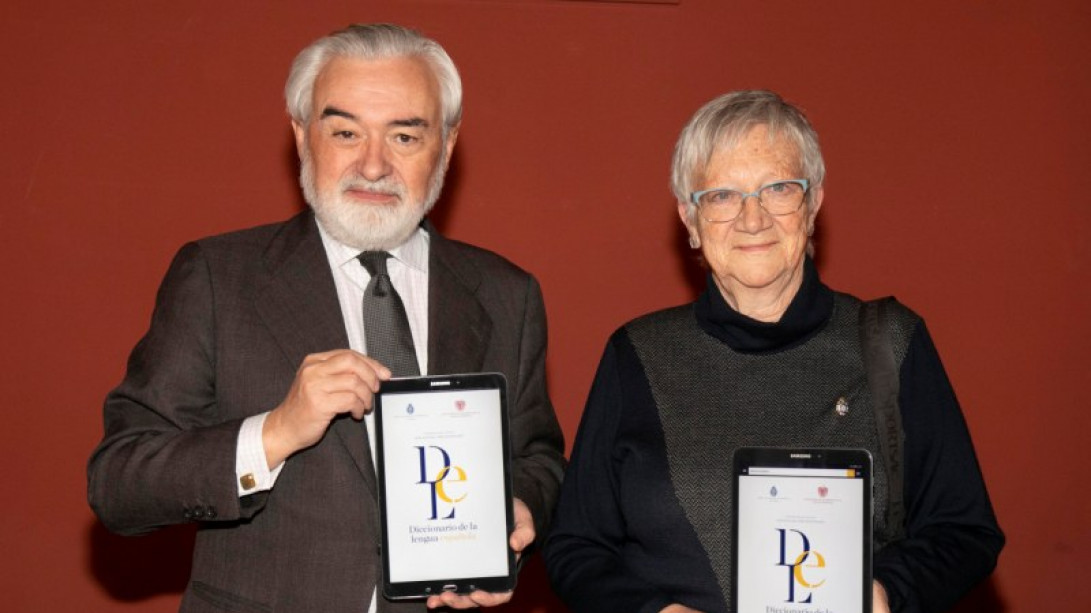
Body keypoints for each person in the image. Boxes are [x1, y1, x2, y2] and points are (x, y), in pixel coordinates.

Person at [88, 23, 565, 613]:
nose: (372, 166)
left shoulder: (506, 293)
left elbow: (537, 459)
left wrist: (514, 510)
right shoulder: (217, 277)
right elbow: (119, 484)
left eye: (404, 138)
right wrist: (276, 431)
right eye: (345, 132)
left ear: (446, 142)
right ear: (300, 136)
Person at [543, 90, 1003, 613]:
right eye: (722, 196)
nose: (753, 218)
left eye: (778, 189)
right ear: (689, 221)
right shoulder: (637, 355)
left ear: (813, 205)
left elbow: (965, 531)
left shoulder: (891, 343)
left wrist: (882, 594)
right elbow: (575, 546)